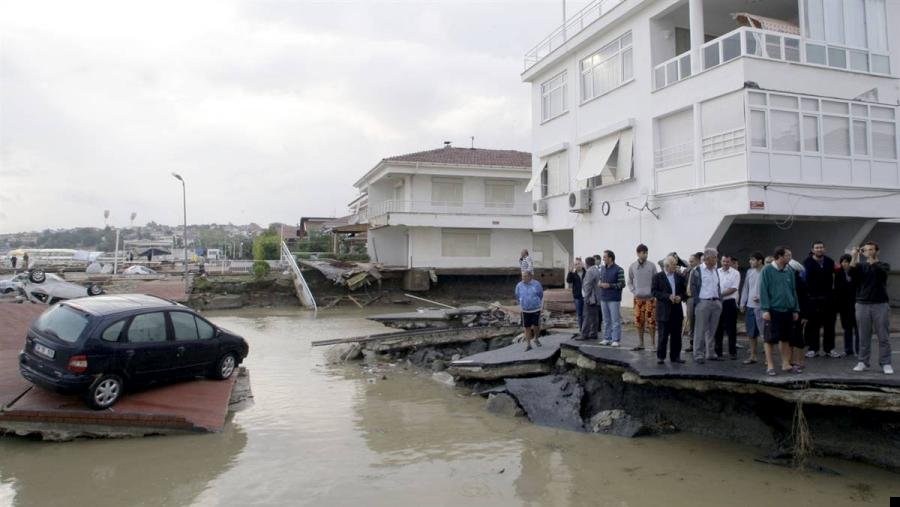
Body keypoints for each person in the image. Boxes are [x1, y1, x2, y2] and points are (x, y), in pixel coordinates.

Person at [850, 242, 892, 375]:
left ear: (876, 251)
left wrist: (871, 259)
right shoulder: (861, 266)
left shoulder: (883, 265)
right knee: (863, 335)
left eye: (871, 249)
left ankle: (886, 363)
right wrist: (854, 256)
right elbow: (851, 273)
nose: (868, 251)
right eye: (866, 250)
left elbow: (880, 273)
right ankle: (863, 361)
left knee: (883, 336)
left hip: (880, 304)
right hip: (862, 304)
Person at [760, 247, 802, 376]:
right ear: (780, 256)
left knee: (786, 338)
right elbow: (763, 290)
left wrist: (795, 309)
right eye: (788, 255)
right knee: (769, 339)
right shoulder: (767, 270)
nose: (790, 258)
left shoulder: (789, 270)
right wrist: (765, 309)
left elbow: (793, 290)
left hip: (787, 310)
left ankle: (786, 364)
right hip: (773, 309)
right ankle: (770, 366)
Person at [803, 241, 838, 358]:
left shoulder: (829, 261)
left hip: (828, 298)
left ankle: (830, 349)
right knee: (814, 325)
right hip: (813, 299)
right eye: (817, 248)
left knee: (830, 325)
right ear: (812, 250)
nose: (819, 249)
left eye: (821, 247)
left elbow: (835, 278)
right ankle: (813, 349)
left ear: (824, 249)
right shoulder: (807, 262)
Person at [652, 255, 687, 364]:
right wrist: (668, 296)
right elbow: (654, 292)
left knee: (676, 335)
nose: (676, 267)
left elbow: (685, 293)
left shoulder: (679, 277)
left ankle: (675, 356)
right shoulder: (658, 277)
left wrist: (680, 297)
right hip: (663, 311)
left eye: (676, 264)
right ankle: (661, 357)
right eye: (674, 265)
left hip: (676, 310)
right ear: (667, 266)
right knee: (663, 335)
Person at [689, 248, 722, 363]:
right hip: (703, 302)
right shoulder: (697, 270)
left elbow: (718, 286)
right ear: (708, 258)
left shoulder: (716, 270)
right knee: (700, 330)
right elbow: (692, 287)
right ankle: (698, 354)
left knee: (712, 330)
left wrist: (719, 300)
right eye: (715, 257)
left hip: (715, 302)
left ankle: (710, 353)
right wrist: (698, 302)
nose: (717, 259)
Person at [628, 244, 658, 351]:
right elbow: (630, 281)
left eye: (646, 252)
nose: (645, 255)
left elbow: (656, 281)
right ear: (638, 253)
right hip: (638, 299)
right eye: (643, 252)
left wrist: (654, 293)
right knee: (638, 321)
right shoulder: (632, 266)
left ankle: (653, 344)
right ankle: (641, 343)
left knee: (651, 322)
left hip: (650, 299)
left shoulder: (652, 266)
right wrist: (634, 291)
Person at [739, 251, 765, 365]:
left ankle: (767, 358)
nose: (750, 261)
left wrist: (762, 297)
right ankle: (753, 356)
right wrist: (742, 303)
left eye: (753, 259)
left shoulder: (767, 271)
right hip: (750, 306)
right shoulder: (750, 272)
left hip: (763, 307)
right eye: (750, 259)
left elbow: (771, 289)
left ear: (760, 261)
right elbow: (745, 288)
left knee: (765, 333)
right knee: (751, 333)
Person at [714, 255, 741, 360]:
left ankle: (732, 352)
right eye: (724, 261)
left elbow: (733, 288)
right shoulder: (716, 272)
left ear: (731, 262)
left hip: (729, 302)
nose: (725, 263)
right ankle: (718, 352)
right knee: (718, 328)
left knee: (731, 328)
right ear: (721, 261)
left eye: (728, 262)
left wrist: (719, 294)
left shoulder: (736, 273)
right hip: (718, 302)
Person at [598, 250, 625, 347]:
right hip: (603, 298)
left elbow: (622, 284)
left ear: (610, 258)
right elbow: (601, 279)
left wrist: (609, 285)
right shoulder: (602, 269)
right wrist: (600, 284)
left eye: (605, 257)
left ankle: (616, 340)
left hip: (614, 299)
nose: (603, 259)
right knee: (606, 320)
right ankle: (606, 338)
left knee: (615, 320)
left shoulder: (619, 270)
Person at [834, 253, 858, 357]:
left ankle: (858, 350)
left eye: (847, 262)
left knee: (858, 328)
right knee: (847, 328)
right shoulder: (838, 273)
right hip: (844, 305)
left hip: (856, 304)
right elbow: (837, 289)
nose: (844, 264)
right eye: (843, 262)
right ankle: (848, 349)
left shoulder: (856, 272)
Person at [515, 270, 544, 351]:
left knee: (536, 326)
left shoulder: (536, 284)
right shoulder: (519, 285)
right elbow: (517, 296)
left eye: (525, 276)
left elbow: (540, 295)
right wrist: (522, 303)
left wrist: (537, 303)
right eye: (522, 276)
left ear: (530, 276)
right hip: (525, 310)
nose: (523, 278)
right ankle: (528, 345)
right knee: (526, 327)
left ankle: (536, 338)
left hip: (536, 309)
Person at [579, 256, 602, 340]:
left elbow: (588, 285)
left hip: (590, 298)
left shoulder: (589, 271)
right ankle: (593, 333)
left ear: (587, 263)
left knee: (587, 316)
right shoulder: (597, 270)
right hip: (596, 298)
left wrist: (586, 297)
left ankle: (584, 334)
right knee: (595, 317)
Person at [683, 252, 702, 352]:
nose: (690, 263)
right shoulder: (687, 271)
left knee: (700, 322)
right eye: (689, 261)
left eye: (692, 261)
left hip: (699, 299)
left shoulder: (701, 271)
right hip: (689, 299)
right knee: (691, 321)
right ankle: (691, 343)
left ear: (698, 261)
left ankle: (699, 344)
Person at [567, 258, 586, 332]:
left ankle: (586, 328)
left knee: (586, 313)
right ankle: (581, 329)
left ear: (582, 264)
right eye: (575, 264)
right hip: (577, 296)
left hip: (586, 296)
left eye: (578, 264)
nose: (577, 265)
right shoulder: (573, 274)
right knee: (579, 314)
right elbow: (568, 281)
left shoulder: (586, 273)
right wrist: (570, 272)